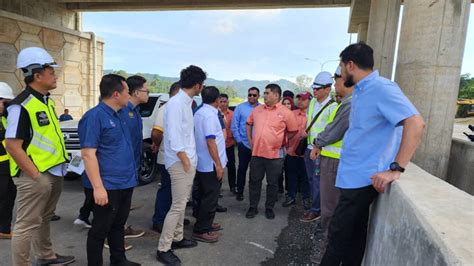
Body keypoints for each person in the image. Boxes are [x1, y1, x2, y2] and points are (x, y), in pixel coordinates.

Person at [320, 43, 425, 265]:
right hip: (352, 176)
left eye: (341, 67)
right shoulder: (360, 91)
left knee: (337, 238)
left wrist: (396, 168)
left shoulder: (382, 88)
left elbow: (415, 123)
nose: (340, 73)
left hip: (362, 178)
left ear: (350, 65)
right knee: (354, 239)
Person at [6, 47, 75, 265]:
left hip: (52, 171)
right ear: (37, 75)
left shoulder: (47, 101)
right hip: (34, 177)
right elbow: (12, 145)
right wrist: (36, 176)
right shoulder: (20, 106)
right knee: (26, 224)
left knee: (44, 218)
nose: (55, 75)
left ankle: (46, 256)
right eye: (51, 71)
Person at [79, 74, 140, 266]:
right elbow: (88, 154)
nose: (129, 96)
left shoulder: (120, 114)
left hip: (125, 181)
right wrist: (98, 187)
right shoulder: (94, 117)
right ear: (116, 94)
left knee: (118, 225)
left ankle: (119, 260)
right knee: (100, 229)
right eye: (127, 92)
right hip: (108, 184)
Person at [156, 65, 206, 265]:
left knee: (182, 202)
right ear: (197, 85)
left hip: (186, 160)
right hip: (180, 162)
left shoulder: (186, 103)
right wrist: (186, 163)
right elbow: (175, 138)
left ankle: (177, 237)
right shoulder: (177, 104)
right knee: (176, 206)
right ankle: (163, 247)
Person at [309, 66, 353, 263]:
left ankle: (327, 252)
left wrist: (318, 142)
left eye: (336, 82)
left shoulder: (346, 105)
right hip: (331, 160)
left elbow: (333, 131)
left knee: (330, 210)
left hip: (334, 162)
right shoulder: (346, 103)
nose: (335, 86)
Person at [245, 84, 298, 220]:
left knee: (272, 183)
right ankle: (253, 207)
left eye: (267, 93)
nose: (265, 95)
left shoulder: (286, 112)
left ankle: (269, 208)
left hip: (275, 156)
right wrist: (250, 140)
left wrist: (282, 142)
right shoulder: (257, 110)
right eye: (265, 93)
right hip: (257, 153)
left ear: (276, 95)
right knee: (254, 181)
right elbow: (248, 123)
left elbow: (293, 131)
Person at [192, 86, 227, 243]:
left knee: (204, 194)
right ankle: (201, 230)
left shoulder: (200, 112)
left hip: (202, 161)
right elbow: (211, 141)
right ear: (217, 99)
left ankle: (205, 223)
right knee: (210, 196)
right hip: (210, 163)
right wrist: (218, 165)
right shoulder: (209, 116)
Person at [301, 71, 337, 223]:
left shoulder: (333, 107)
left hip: (320, 150)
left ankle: (316, 210)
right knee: (311, 179)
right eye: (314, 88)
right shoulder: (313, 103)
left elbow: (330, 131)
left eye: (318, 89)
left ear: (328, 89)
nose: (314, 91)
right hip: (309, 147)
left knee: (317, 181)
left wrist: (318, 147)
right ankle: (315, 206)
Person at [120, 75, 149, 238]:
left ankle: (122, 229)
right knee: (118, 203)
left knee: (125, 202)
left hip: (133, 163)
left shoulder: (135, 111)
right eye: (147, 90)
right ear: (137, 92)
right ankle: (114, 236)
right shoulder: (123, 111)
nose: (148, 94)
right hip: (124, 165)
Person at [151, 81, 181, 233]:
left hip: (177, 159)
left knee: (175, 192)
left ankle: (172, 219)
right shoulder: (166, 109)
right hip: (167, 159)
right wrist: (158, 144)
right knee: (167, 190)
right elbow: (156, 133)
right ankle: (159, 220)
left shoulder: (178, 108)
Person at [282, 91, 311, 208]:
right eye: (298, 99)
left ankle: (306, 198)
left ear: (310, 100)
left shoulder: (313, 115)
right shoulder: (292, 114)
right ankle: (291, 196)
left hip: (307, 153)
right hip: (291, 150)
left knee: (306, 176)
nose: (300, 101)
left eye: (303, 99)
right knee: (291, 175)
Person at [231, 87, 260, 201]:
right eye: (250, 95)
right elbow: (234, 125)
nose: (251, 97)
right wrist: (239, 141)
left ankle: (253, 195)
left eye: (254, 95)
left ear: (258, 96)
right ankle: (240, 191)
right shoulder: (240, 108)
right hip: (244, 145)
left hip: (257, 146)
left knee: (255, 172)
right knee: (242, 169)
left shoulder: (262, 109)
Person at [0, 82, 16, 239]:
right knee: (4, 199)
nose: (6, 107)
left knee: (8, 198)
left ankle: (4, 228)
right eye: (5, 103)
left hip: (7, 167)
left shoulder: (3, 119)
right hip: (2, 168)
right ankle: (3, 229)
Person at [219, 94, 237, 194]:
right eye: (221, 101)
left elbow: (235, 127)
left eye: (224, 101)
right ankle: (217, 189)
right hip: (218, 145)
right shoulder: (215, 113)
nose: (223, 104)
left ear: (228, 102)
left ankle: (233, 186)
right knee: (218, 167)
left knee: (231, 166)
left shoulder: (233, 114)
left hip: (229, 144)